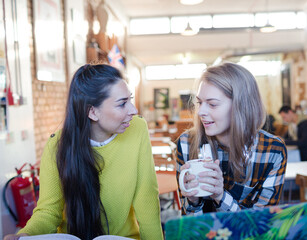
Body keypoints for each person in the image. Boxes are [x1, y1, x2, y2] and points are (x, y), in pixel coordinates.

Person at [4, 64, 163, 240]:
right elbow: (49, 211)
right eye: (122, 104)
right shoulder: (57, 145)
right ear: (92, 112)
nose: (133, 110)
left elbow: (146, 200)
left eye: (130, 100)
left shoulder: (137, 129)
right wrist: (24, 236)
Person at [176, 62, 287, 215]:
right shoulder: (186, 143)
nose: (201, 111)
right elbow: (190, 224)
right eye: (200, 102)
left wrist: (220, 196)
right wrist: (192, 201)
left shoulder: (272, 151)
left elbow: (260, 225)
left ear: (241, 106)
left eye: (212, 104)